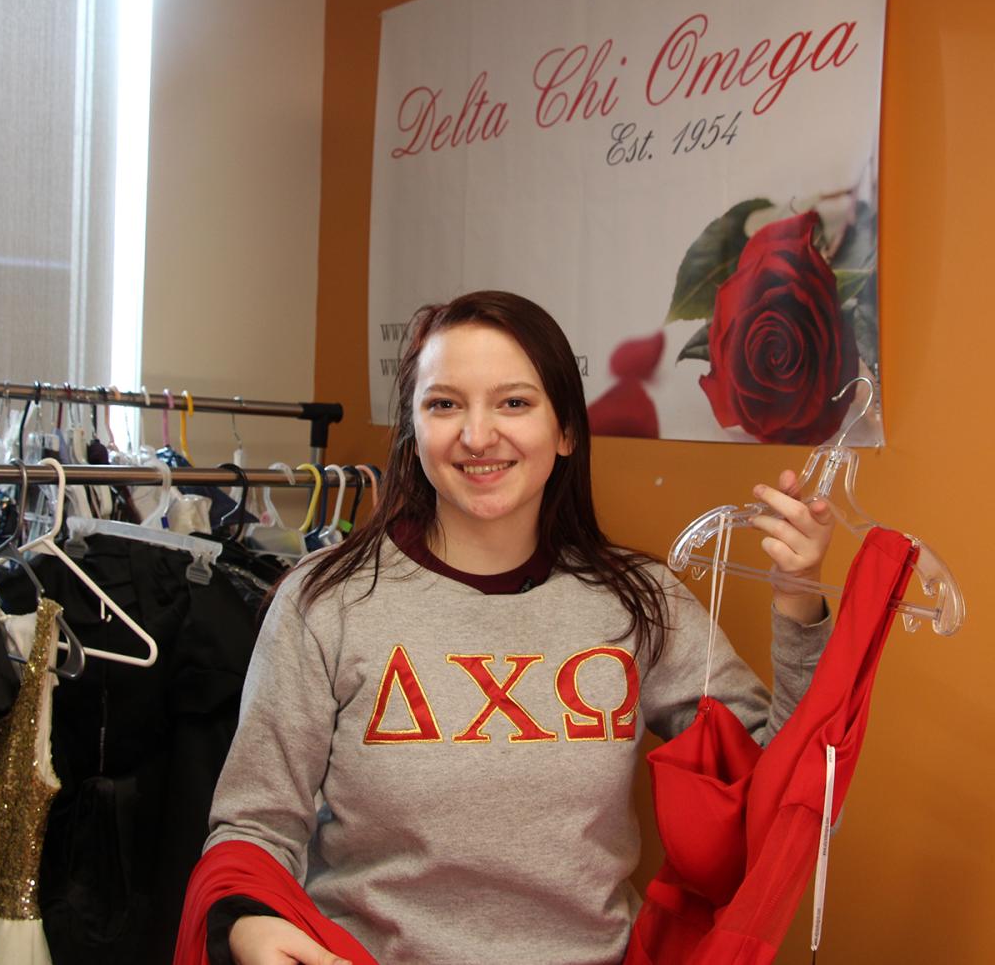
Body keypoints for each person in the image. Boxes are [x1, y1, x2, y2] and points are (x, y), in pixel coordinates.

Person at [193, 290, 835, 965]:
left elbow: (794, 805)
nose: (477, 435)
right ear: (412, 429)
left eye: (514, 402)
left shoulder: (642, 604)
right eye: (444, 404)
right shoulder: (324, 602)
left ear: (565, 432)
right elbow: (255, 825)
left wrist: (799, 608)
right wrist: (248, 923)